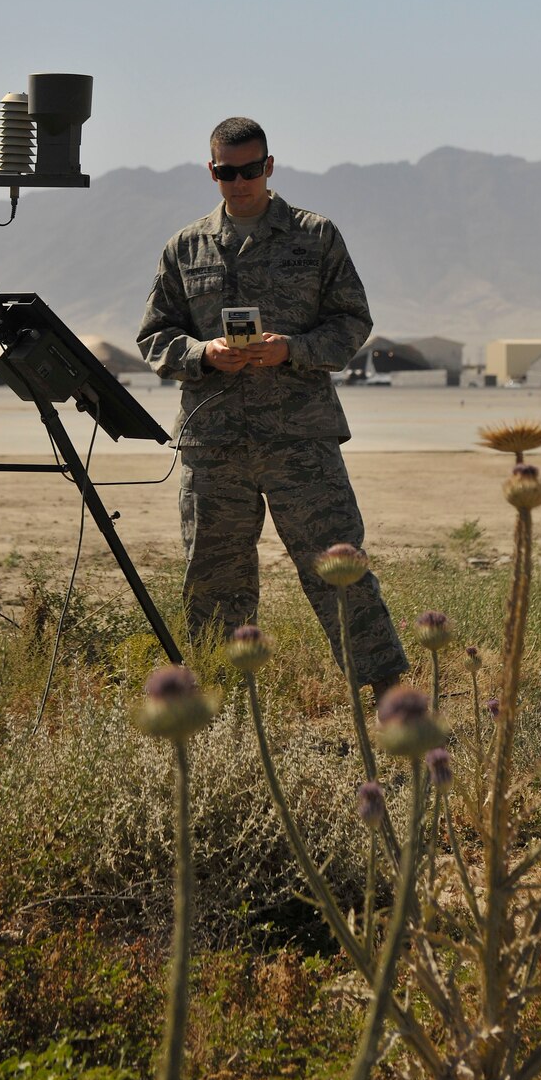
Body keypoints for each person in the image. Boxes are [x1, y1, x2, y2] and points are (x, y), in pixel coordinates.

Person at [137, 115, 407, 695]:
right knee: (213, 581)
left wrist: (293, 350)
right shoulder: (185, 248)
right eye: (229, 172)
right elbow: (155, 337)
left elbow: (352, 321)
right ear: (212, 171)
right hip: (215, 445)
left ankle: (390, 696)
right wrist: (202, 353)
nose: (241, 182)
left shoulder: (315, 236)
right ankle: (220, 704)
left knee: (338, 567)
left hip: (300, 439)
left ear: (270, 166)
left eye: (252, 170)